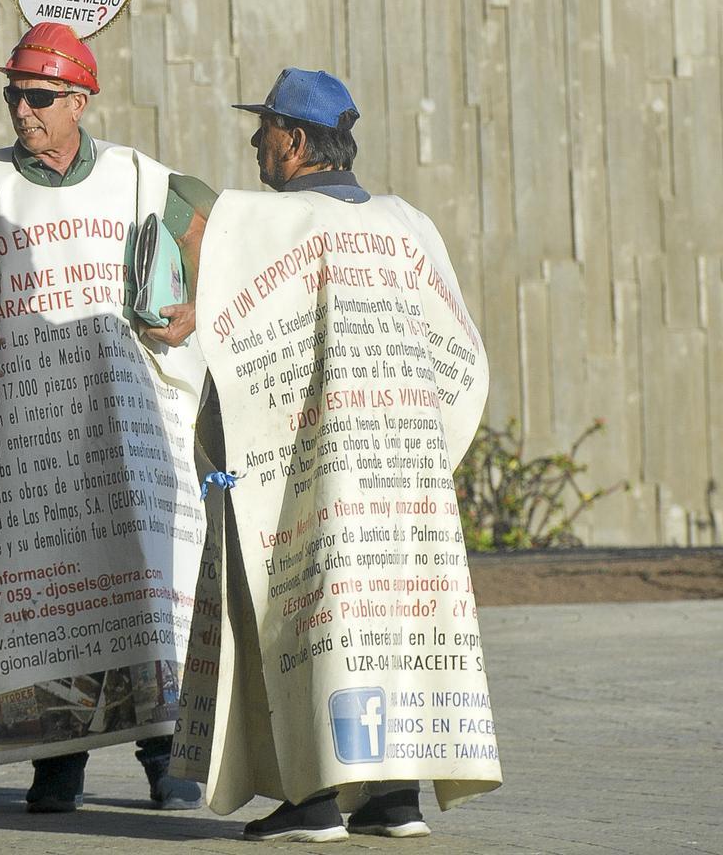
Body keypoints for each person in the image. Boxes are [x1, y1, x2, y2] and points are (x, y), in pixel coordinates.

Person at [0, 22, 215, 815]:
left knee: (144, 582)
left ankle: (165, 752)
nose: (22, 109)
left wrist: (191, 311)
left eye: (39, 95)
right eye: (13, 93)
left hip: (125, 431)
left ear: (81, 100)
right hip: (23, 437)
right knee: (40, 588)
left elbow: (212, 230)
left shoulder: (137, 177)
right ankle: (54, 761)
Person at [173, 68, 501, 842]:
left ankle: (314, 800)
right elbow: (463, 353)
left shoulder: (272, 223)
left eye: (265, 130)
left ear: (293, 140)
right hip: (401, 475)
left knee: (308, 621)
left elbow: (233, 322)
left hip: (311, 475)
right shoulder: (407, 222)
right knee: (390, 623)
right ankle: (393, 800)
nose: (256, 143)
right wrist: (423, 453)